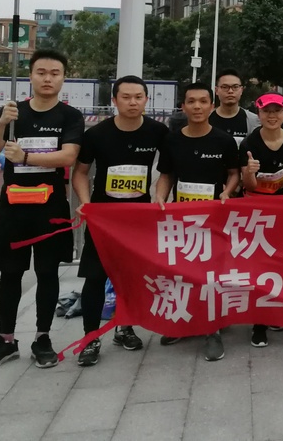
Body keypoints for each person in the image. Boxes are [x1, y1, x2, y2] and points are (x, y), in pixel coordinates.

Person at [0, 50, 84, 372]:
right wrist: (2, 123)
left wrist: (25, 157)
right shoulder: (13, 112)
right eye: (41, 72)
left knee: (47, 273)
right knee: (10, 274)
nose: (47, 78)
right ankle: (5, 340)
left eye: (54, 73)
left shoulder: (70, 116)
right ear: (30, 76)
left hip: (50, 208)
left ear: (63, 78)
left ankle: (42, 338)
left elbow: (68, 157)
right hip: (12, 209)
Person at [71, 76, 170, 367]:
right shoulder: (97, 134)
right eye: (125, 97)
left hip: (137, 219)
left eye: (138, 97)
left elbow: (167, 170)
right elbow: (80, 173)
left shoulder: (157, 132)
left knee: (131, 277)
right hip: (104, 219)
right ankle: (90, 337)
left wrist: (159, 197)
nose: (132, 102)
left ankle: (124, 328)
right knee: (95, 277)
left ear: (146, 100)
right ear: (114, 100)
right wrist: (86, 203)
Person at [155, 82, 240, 362]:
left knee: (211, 275)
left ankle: (212, 330)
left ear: (212, 106)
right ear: (183, 106)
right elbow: (166, 175)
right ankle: (183, 322)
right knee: (183, 273)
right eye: (191, 101)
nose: (197, 107)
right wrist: (160, 198)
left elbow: (234, 173)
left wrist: (227, 192)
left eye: (203, 101)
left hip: (215, 220)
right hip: (181, 219)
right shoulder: (172, 140)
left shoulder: (224, 140)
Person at [240, 92, 283, 348]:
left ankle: (275, 311)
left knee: (281, 264)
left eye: (277, 111)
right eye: (266, 111)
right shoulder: (249, 143)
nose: (272, 116)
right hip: (257, 213)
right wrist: (251, 173)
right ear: (259, 114)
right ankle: (259, 322)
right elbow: (247, 185)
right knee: (259, 265)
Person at [209, 69, 260, 146]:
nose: (230, 91)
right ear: (216, 90)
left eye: (235, 87)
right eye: (225, 87)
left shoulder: (255, 121)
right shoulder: (206, 119)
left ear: (241, 90)